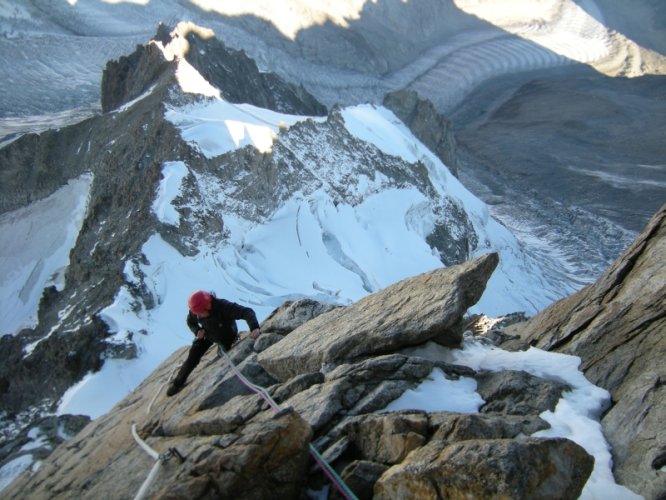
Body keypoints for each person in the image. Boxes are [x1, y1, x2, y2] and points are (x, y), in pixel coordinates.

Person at [166, 290, 261, 396]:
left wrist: (254, 327)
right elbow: (190, 321)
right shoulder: (197, 310)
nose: (198, 316)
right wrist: (197, 330)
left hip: (226, 335)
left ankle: (222, 348)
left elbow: (247, 312)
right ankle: (177, 383)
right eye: (196, 314)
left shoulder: (223, 307)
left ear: (207, 306)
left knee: (224, 355)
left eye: (200, 313)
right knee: (192, 357)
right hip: (207, 334)